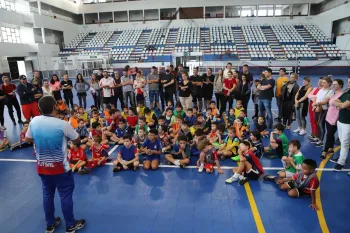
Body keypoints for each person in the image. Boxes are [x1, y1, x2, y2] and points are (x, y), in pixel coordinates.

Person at [24, 96, 85, 233]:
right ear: (55, 107)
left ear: (39, 108)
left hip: (42, 167)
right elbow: (77, 140)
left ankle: (50, 224)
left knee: (47, 195)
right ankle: (70, 225)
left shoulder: (34, 121)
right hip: (60, 169)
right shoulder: (62, 124)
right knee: (65, 195)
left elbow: (27, 139)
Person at [320, 79, 344, 159]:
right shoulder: (334, 93)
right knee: (330, 134)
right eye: (333, 84)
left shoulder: (341, 94)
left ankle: (324, 150)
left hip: (334, 118)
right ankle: (330, 148)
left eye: (336, 84)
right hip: (329, 116)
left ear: (340, 85)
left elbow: (339, 108)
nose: (334, 86)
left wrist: (335, 120)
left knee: (329, 134)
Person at [332, 76, 350, 171]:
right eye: (348, 82)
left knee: (344, 143)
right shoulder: (347, 92)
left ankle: (341, 162)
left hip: (348, 123)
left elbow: (342, 104)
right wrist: (342, 105)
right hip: (341, 121)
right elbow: (335, 101)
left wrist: (342, 105)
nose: (349, 84)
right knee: (343, 142)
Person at [310, 76, 334, 147]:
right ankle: (318, 137)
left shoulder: (330, 91)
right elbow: (316, 98)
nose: (322, 84)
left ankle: (321, 141)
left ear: (329, 83)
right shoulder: (321, 90)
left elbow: (325, 101)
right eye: (322, 82)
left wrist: (316, 103)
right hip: (317, 108)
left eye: (324, 83)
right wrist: (314, 104)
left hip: (323, 110)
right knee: (317, 123)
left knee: (321, 124)